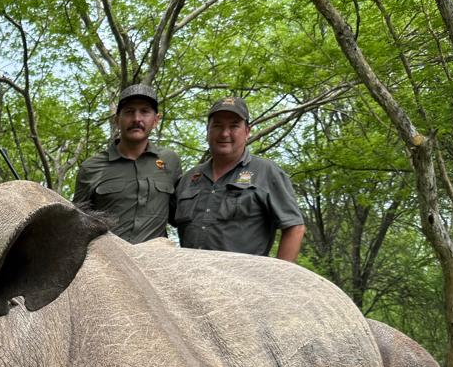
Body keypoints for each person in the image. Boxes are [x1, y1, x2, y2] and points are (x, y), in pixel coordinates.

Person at [174, 95, 305, 261]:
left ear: (247, 132)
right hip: (190, 279)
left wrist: (278, 280)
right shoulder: (189, 178)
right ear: (207, 131)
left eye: (234, 126)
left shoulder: (266, 172)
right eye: (217, 126)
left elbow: (295, 227)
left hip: (245, 282)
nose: (225, 133)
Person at [73, 84, 182, 244]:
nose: (137, 119)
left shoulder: (170, 161)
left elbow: (179, 215)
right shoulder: (91, 167)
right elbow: (77, 224)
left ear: (156, 120)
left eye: (145, 112)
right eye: (129, 112)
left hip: (156, 263)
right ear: (117, 120)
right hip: (107, 263)